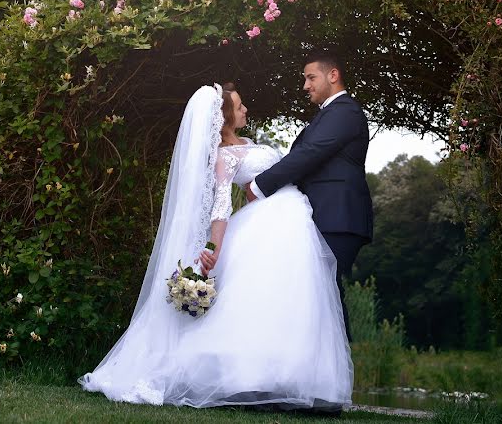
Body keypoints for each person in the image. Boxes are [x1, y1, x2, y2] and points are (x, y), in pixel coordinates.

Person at [80, 82, 352, 412]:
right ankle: (251, 381)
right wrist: (212, 247)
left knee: (289, 298)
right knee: (266, 300)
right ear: (224, 118)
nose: (245, 110)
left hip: (291, 217)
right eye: (239, 107)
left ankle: (287, 380)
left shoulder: (249, 144)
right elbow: (221, 206)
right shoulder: (225, 156)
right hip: (271, 223)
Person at [243, 50, 374, 342]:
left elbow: (309, 154)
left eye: (310, 77)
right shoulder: (330, 114)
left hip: (338, 216)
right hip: (327, 215)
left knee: (325, 292)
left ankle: (335, 373)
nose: (305, 85)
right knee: (319, 295)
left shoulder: (344, 111)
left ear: (333, 75)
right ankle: (324, 373)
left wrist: (260, 185)